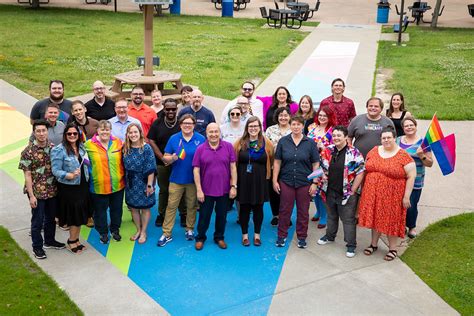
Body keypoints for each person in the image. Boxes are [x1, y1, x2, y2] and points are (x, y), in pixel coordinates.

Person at [358, 126, 416, 261]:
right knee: (375, 219)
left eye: (389, 137)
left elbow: (411, 176)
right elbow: (365, 170)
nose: (386, 140)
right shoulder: (374, 151)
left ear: (394, 138)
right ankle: (373, 245)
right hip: (373, 193)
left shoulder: (403, 155)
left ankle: (392, 249)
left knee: (391, 220)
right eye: (383, 138)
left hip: (393, 195)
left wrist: (406, 196)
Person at [316, 126, 365, 258]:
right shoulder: (328, 150)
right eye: (334, 135)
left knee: (348, 220)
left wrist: (353, 190)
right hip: (329, 190)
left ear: (345, 137)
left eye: (339, 135)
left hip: (347, 192)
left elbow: (360, 172)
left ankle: (351, 245)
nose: (336, 138)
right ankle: (330, 236)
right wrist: (323, 175)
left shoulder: (354, 152)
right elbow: (321, 167)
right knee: (331, 216)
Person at [19, 120, 65, 260]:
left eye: (43, 130)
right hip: (37, 191)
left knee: (51, 218)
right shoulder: (28, 152)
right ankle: (37, 247)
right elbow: (27, 175)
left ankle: (49, 241)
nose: (41, 133)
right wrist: (31, 196)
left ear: (47, 131)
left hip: (52, 190)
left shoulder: (54, 148)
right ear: (34, 132)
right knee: (37, 221)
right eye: (38, 131)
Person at [157, 114, 205, 247]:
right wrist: (172, 158)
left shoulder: (200, 139)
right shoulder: (174, 138)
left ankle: (189, 229)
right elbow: (165, 157)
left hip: (193, 180)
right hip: (176, 179)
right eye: (185, 123)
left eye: (190, 123)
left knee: (192, 206)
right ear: (180, 125)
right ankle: (166, 233)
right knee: (171, 206)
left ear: (194, 125)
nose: (187, 125)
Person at [273, 116, 320, 248]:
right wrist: (274, 180)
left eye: (299, 124)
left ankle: (302, 237)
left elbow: (316, 164)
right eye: (293, 124)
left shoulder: (310, 143)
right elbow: (277, 162)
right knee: (284, 210)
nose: (296, 127)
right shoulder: (283, 141)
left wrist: (315, 182)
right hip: (286, 181)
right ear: (290, 125)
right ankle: (281, 236)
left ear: (303, 126)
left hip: (304, 182)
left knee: (303, 211)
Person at [193, 123, 237, 250]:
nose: (213, 134)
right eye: (211, 132)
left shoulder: (228, 147)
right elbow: (196, 170)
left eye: (216, 132)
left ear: (220, 133)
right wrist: (199, 190)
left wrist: (233, 186)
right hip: (206, 190)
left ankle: (219, 237)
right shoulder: (200, 149)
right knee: (204, 216)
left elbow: (233, 167)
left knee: (222, 216)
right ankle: (200, 237)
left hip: (224, 190)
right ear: (206, 134)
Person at [51, 124, 91, 254]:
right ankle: (71, 241)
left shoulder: (81, 147)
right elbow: (55, 170)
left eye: (75, 133)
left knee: (80, 215)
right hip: (69, 188)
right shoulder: (59, 149)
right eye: (69, 134)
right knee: (74, 216)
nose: (72, 136)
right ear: (65, 135)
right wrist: (68, 175)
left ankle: (76, 239)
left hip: (82, 185)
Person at [234, 117, 274, 246]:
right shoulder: (240, 143)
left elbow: (272, 160)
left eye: (256, 126)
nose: (253, 128)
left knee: (258, 208)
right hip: (243, 181)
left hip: (260, 181)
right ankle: (244, 235)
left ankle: (257, 235)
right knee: (244, 208)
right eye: (250, 126)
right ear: (247, 128)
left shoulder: (267, 143)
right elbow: (234, 161)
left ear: (260, 127)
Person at [85, 120, 126, 244]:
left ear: (110, 130)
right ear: (97, 131)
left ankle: (115, 229)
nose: (104, 132)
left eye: (107, 129)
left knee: (116, 209)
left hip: (117, 185)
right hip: (98, 186)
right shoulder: (88, 145)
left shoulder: (118, 143)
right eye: (102, 129)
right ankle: (102, 232)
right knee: (100, 211)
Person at [147, 98, 186, 227]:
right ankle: (162, 214)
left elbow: (185, 139)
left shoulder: (181, 123)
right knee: (164, 190)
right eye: (167, 109)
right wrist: (163, 157)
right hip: (161, 162)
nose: (170, 111)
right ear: (164, 109)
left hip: (179, 163)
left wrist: (175, 157)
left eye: (173, 109)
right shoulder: (157, 123)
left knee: (181, 189)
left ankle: (183, 214)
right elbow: (151, 140)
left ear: (177, 109)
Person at [396, 117, 433, 238]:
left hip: (416, 180)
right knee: (398, 204)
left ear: (416, 126)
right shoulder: (397, 140)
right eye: (406, 126)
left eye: (411, 125)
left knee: (411, 205)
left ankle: (411, 227)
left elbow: (430, 163)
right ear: (403, 128)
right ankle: (400, 226)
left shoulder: (423, 143)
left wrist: (421, 155)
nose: (409, 127)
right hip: (398, 180)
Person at [123, 124, 156, 244]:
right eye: (130, 132)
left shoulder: (146, 148)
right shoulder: (125, 147)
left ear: (140, 133)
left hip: (143, 181)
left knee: (145, 208)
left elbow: (151, 168)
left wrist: (149, 185)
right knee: (133, 208)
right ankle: (138, 229)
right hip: (130, 182)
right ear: (127, 134)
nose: (133, 135)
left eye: (135, 132)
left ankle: (144, 232)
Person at [307, 105, 337, 228]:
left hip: (324, 165)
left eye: (325, 116)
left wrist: (324, 148)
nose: (322, 117)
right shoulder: (312, 127)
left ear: (330, 117)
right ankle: (318, 212)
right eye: (320, 115)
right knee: (315, 191)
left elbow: (336, 148)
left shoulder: (332, 131)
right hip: (311, 163)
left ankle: (324, 216)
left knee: (323, 190)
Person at [265, 107, 291, 226]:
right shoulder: (270, 130)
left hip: (289, 166)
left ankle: (286, 215)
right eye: (281, 115)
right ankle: (276, 215)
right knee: (274, 191)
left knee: (288, 192)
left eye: (286, 115)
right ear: (277, 117)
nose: (283, 118)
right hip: (273, 165)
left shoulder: (294, 129)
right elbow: (266, 147)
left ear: (290, 116)